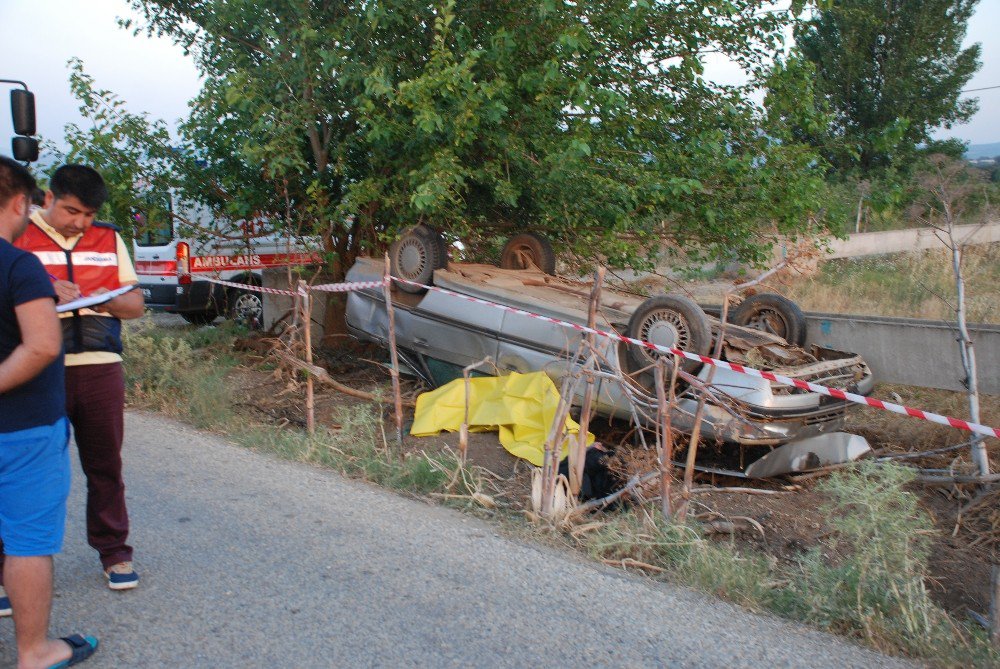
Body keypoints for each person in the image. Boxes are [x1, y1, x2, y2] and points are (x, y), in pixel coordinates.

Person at [10, 164, 145, 591]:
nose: (80, 223)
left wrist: (101, 300)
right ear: (47, 199)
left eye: (88, 214)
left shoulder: (108, 238)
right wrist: (46, 289)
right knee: (25, 472)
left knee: (105, 465)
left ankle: (115, 553)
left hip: (101, 367)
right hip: (36, 372)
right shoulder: (17, 234)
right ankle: (10, 568)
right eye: (71, 211)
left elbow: (136, 303)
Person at [0, 156, 98, 668]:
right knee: (29, 543)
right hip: (24, 428)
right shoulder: (19, 265)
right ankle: (34, 651)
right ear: (21, 202)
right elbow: (39, 346)